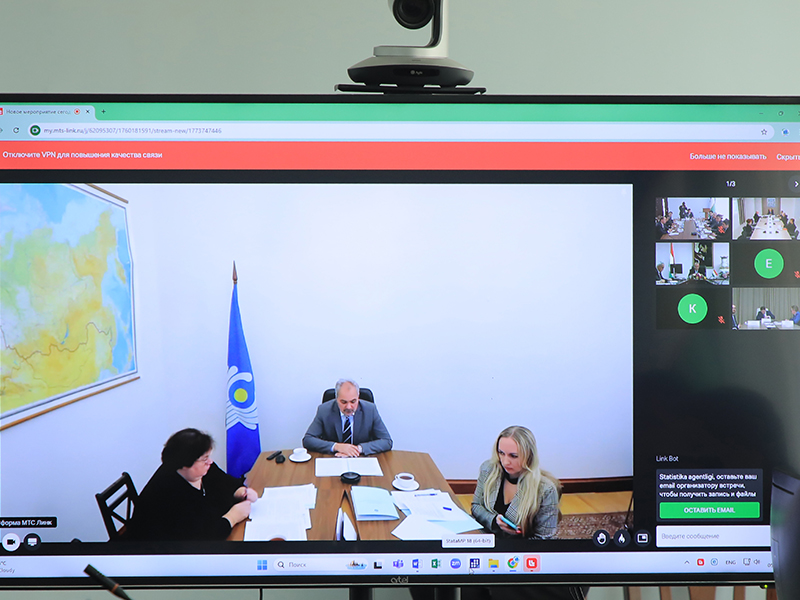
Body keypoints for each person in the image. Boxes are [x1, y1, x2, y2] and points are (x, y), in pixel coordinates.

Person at [126, 429, 257, 541]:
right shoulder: (168, 492)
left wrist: (240, 491)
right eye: (204, 459)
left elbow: (224, 481)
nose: (210, 462)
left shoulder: (201, 470)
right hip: (157, 551)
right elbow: (201, 537)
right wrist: (232, 517)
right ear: (185, 464)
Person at [471, 426, 560, 540]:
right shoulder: (488, 469)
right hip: (486, 539)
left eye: (513, 456)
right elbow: (476, 506)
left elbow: (544, 539)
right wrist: (494, 521)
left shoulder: (545, 489)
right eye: (501, 453)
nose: (505, 462)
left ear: (529, 456)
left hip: (521, 547)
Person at [302, 378, 393, 456]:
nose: (349, 407)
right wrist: (337, 446)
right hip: (333, 458)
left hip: (361, 458)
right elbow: (308, 440)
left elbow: (386, 441)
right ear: (336, 399)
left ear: (358, 397)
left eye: (353, 401)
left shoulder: (370, 410)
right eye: (344, 402)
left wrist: (357, 449)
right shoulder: (324, 410)